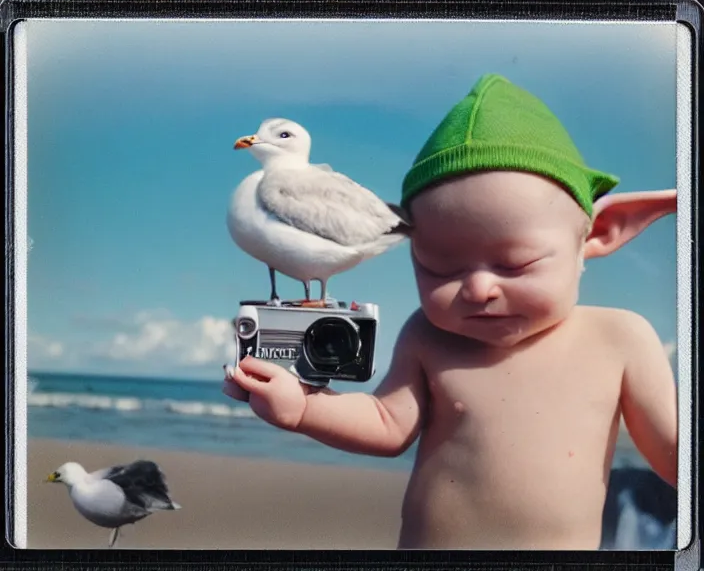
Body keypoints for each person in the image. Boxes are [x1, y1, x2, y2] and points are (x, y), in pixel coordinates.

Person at [223, 73, 677, 550]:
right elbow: (386, 423)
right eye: (439, 268)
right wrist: (303, 407)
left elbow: (675, 457)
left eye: (514, 264)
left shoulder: (619, 339)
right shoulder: (428, 335)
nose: (479, 288)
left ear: (598, 235)